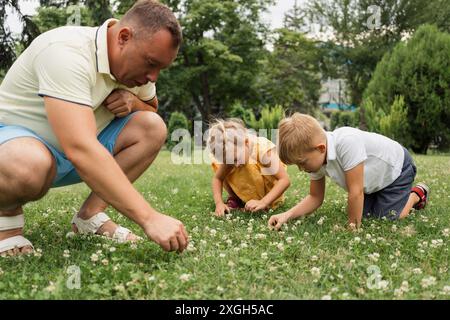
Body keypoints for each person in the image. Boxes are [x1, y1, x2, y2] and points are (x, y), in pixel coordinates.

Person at [0, 0, 189, 256]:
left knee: (152, 127)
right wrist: (149, 218)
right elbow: (80, 147)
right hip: (13, 150)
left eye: (160, 69)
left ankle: (90, 217)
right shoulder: (65, 51)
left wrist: (133, 102)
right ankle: (6, 223)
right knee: (29, 162)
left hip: (67, 156)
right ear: (124, 37)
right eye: (151, 63)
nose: (153, 77)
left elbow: (151, 108)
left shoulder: (136, 70)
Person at [268, 113, 430, 231]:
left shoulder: (346, 142)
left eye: (302, 163)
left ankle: (416, 194)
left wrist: (352, 227)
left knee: (390, 217)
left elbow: (356, 192)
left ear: (321, 148)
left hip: (396, 169)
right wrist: (286, 215)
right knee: (367, 215)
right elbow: (315, 197)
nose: (302, 169)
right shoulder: (316, 158)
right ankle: (381, 199)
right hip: (373, 182)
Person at [207, 119, 290, 216]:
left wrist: (263, 202)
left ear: (246, 142)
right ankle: (237, 199)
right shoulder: (231, 153)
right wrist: (219, 203)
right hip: (248, 190)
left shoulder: (263, 150)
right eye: (230, 162)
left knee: (246, 166)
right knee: (223, 168)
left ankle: (261, 202)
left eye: (235, 159)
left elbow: (284, 180)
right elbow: (218, 178)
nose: (235, 164)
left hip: (269, 194)